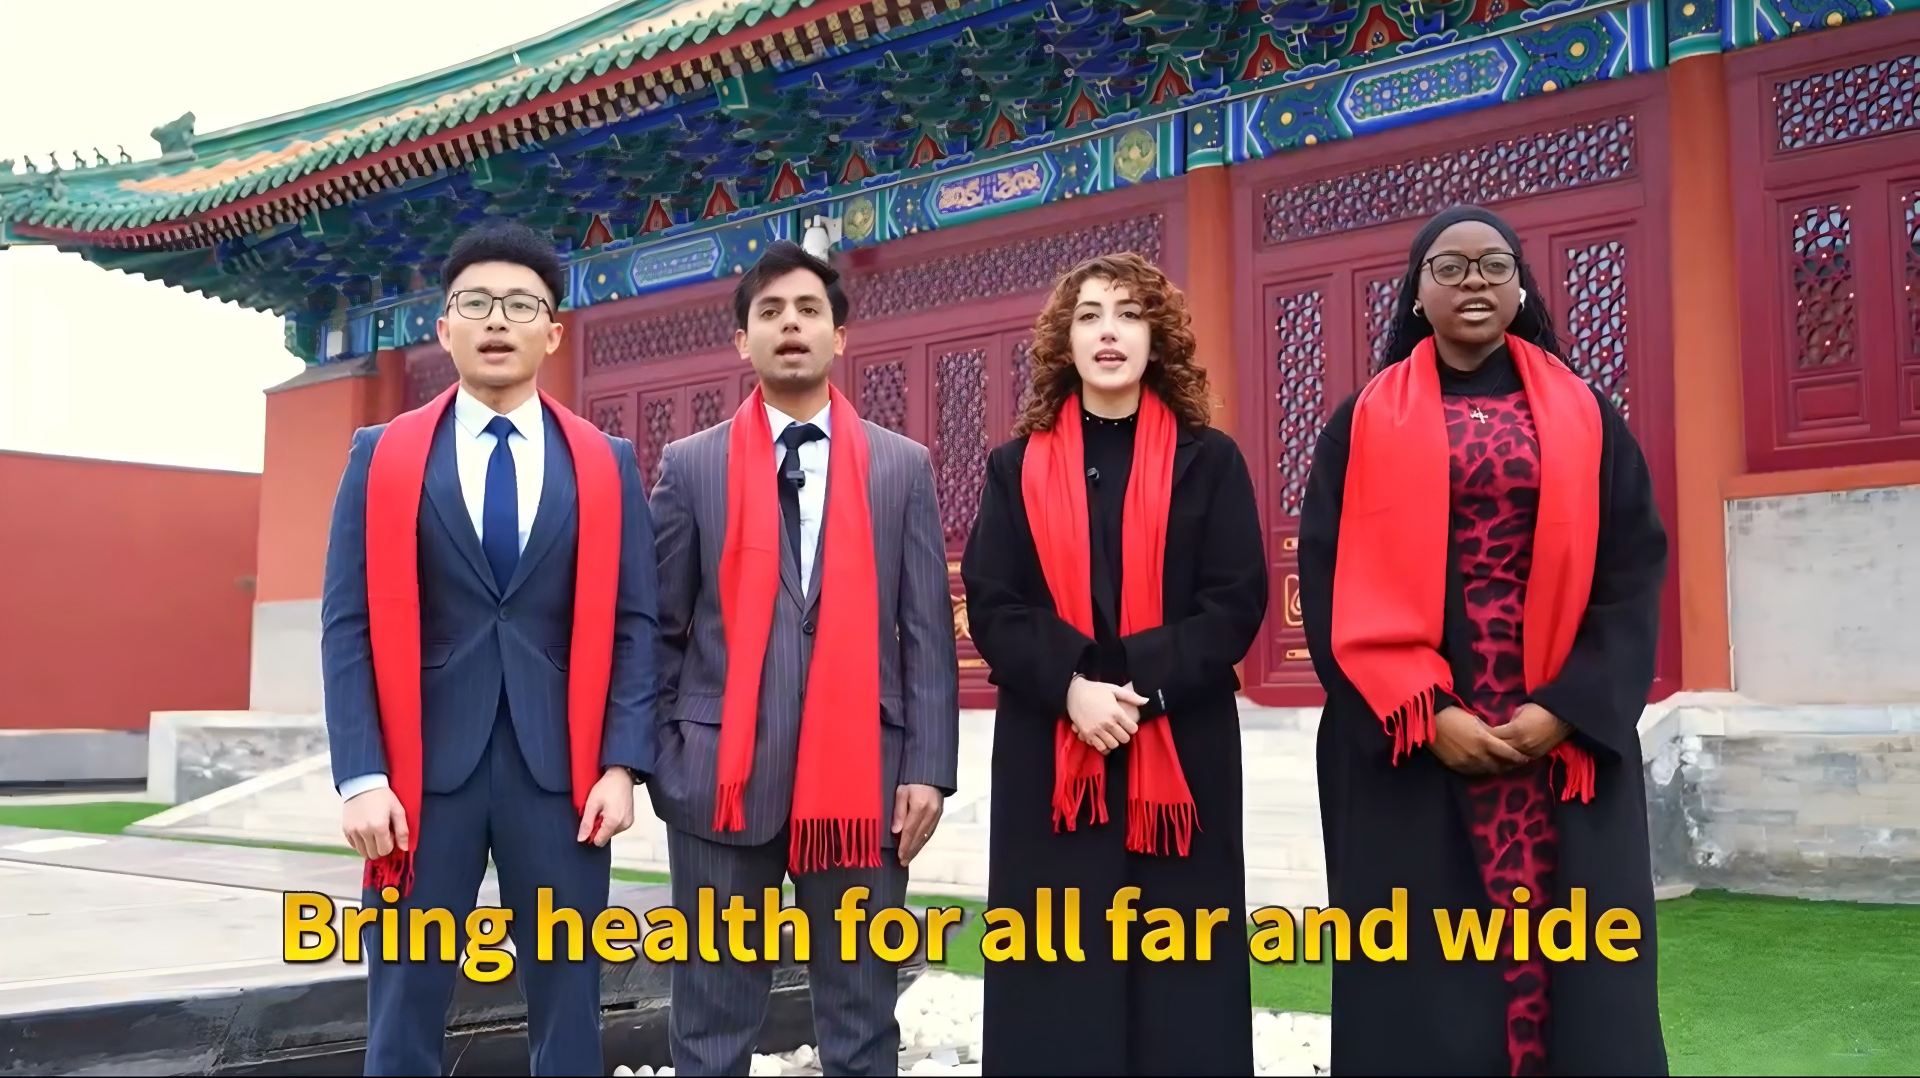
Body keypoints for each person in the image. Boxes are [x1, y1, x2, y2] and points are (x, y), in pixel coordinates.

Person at [1299, 205, 1669, 1075]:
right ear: (1416, 294)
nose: (1474, 281)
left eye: (1495, 265)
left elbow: (1632, 570)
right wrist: (1427, 715)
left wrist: (1568, 707)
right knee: (1422, 983)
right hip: (1414, 734)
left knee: (1577, 967)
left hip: (1556, 737)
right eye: (1451, 266)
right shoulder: (1361, 423)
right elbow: (1328, 579)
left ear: (1521, 288)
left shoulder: (1586, 413)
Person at [320, 220, 661, 1075]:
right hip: (419, 779)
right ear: (444, 328)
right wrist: (361, 776)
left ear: (554, 332)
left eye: (520, 304)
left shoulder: (605, 462)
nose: (497, 320)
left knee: (569, 1003)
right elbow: (347, 623)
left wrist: (622, 766)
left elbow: (636, 623)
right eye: (475, 304)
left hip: (563, 778)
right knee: (404, 1002)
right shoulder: (382, 456)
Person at [648, 240, 959, 1076]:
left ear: (839, 337)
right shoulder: (692, 466)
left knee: (861, 1014)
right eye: (771, 312)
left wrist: (927, 768)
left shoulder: (900, 467)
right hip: (719, 779)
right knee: (711, 1017)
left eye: (810, 310)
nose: (791, 324)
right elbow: (659, 628)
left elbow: (927, 632)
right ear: (741, 341)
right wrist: (669, 757)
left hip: (865, 779)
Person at [961, 252, 1267, 1075]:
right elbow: (994, 602)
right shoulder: (1015, 466)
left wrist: (1135, 686)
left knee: (1182, 965)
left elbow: (1234, 601)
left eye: (1130, 314)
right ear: (1064, 340)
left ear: (1156, 338)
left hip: (1180, 745)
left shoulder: (1211, 460)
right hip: (1052, 747)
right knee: (1056, 962)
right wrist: (1072, 690)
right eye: (1090, 315)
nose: (1109, 332)